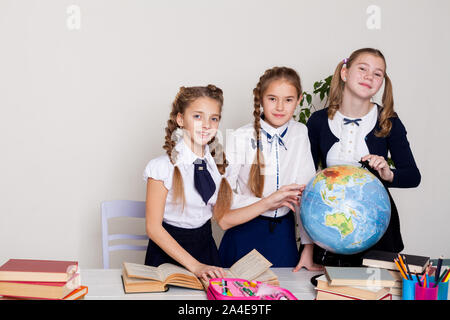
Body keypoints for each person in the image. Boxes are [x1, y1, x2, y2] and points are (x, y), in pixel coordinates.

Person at [305, 48, 421, 267]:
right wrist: (307, 247)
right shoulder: (318, 122)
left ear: (382, 82)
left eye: (378, 74)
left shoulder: (389, 122)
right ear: (345, 73)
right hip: (328, 230)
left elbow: (413, 176)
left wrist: (388, 174)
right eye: (363, 69)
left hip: (377, 232)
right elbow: (305, 181)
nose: (370, 76)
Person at [217, 66, 323, 271]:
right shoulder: (240, 137)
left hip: (283, 235)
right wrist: (266, 202)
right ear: (260, 98)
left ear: (299, 100)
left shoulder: (300, 133)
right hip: (244, 231)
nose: (280, 107)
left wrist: (307, 249)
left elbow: (306, 194)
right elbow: (223, 198)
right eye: (272, 99)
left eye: (288, 100)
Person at [143, 85, 230, 281]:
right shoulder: (161, 168)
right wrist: (196, 267)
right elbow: (153, 228)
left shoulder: (219, 167)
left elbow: (223, 218)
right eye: (198, 116)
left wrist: (269, 201)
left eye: (213, 118)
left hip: (206, 251)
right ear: (180, 119)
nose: (206, 125)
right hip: (167, 256)